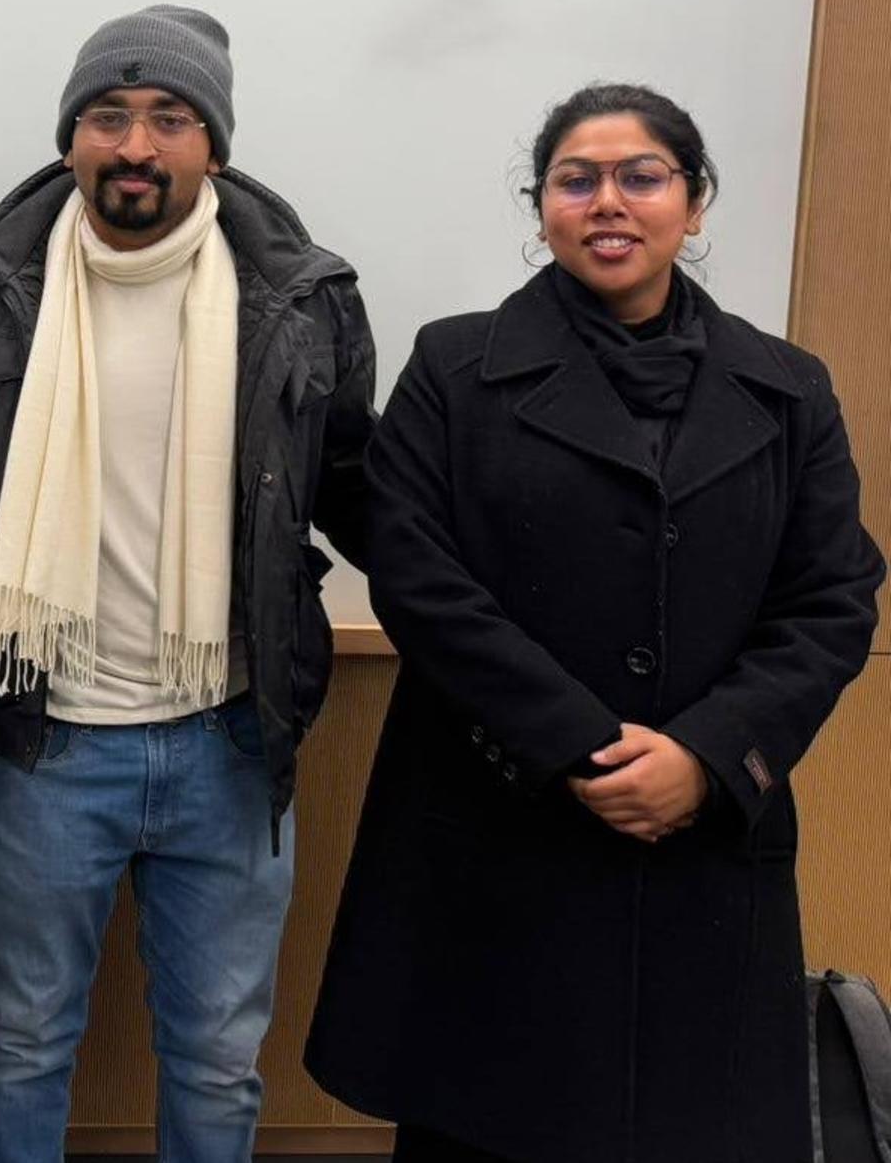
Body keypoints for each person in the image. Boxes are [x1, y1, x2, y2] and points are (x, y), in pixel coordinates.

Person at [304, 83, 883, 1162]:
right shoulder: (456, 367)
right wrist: (580, 743)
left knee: (689, 1127)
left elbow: (834, 598)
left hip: (702, 847)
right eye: (577, 180)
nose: (607, 201)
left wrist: (708, 759)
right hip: (497, 826)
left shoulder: (790, 388)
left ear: (695, 204)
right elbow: (421, 578)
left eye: (642, 176)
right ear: (543, 210)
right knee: (484, 1123)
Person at [0, 4, 377, 1162]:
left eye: (170, 118)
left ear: (214, 144)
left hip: (231, 736)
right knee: (23, 1039)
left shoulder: (302, 298)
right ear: (70, 139)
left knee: (219, 1059)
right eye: (108, 116)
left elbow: (361, 486)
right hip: (43, 737)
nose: (136, 145)